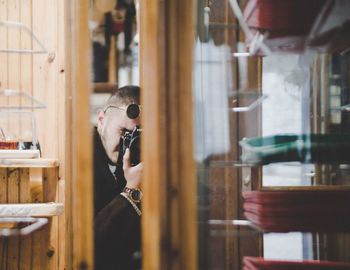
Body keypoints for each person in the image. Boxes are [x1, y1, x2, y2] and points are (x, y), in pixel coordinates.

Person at [94, 85, 143, 269]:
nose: (128, 144)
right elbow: (89, 243)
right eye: (124, 132)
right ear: (101, 119)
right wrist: (131, 190)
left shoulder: (146, 160)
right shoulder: (79, 160)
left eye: (136, 136)